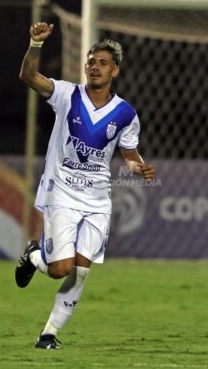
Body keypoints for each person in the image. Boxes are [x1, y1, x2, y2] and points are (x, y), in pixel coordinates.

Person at [15, 22, 155, 349]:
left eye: (102, 63)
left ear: (115, 71)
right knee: (58, 269)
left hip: (97, 201)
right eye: (91, 61)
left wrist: (138, 167)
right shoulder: (67, 94)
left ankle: (48, 334)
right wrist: (35, 44)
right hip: (61, 193)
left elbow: (129, 153)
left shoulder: (125, 114)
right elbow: (28, 77)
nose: (94, 66)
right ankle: (35, 255)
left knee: (79, 272)